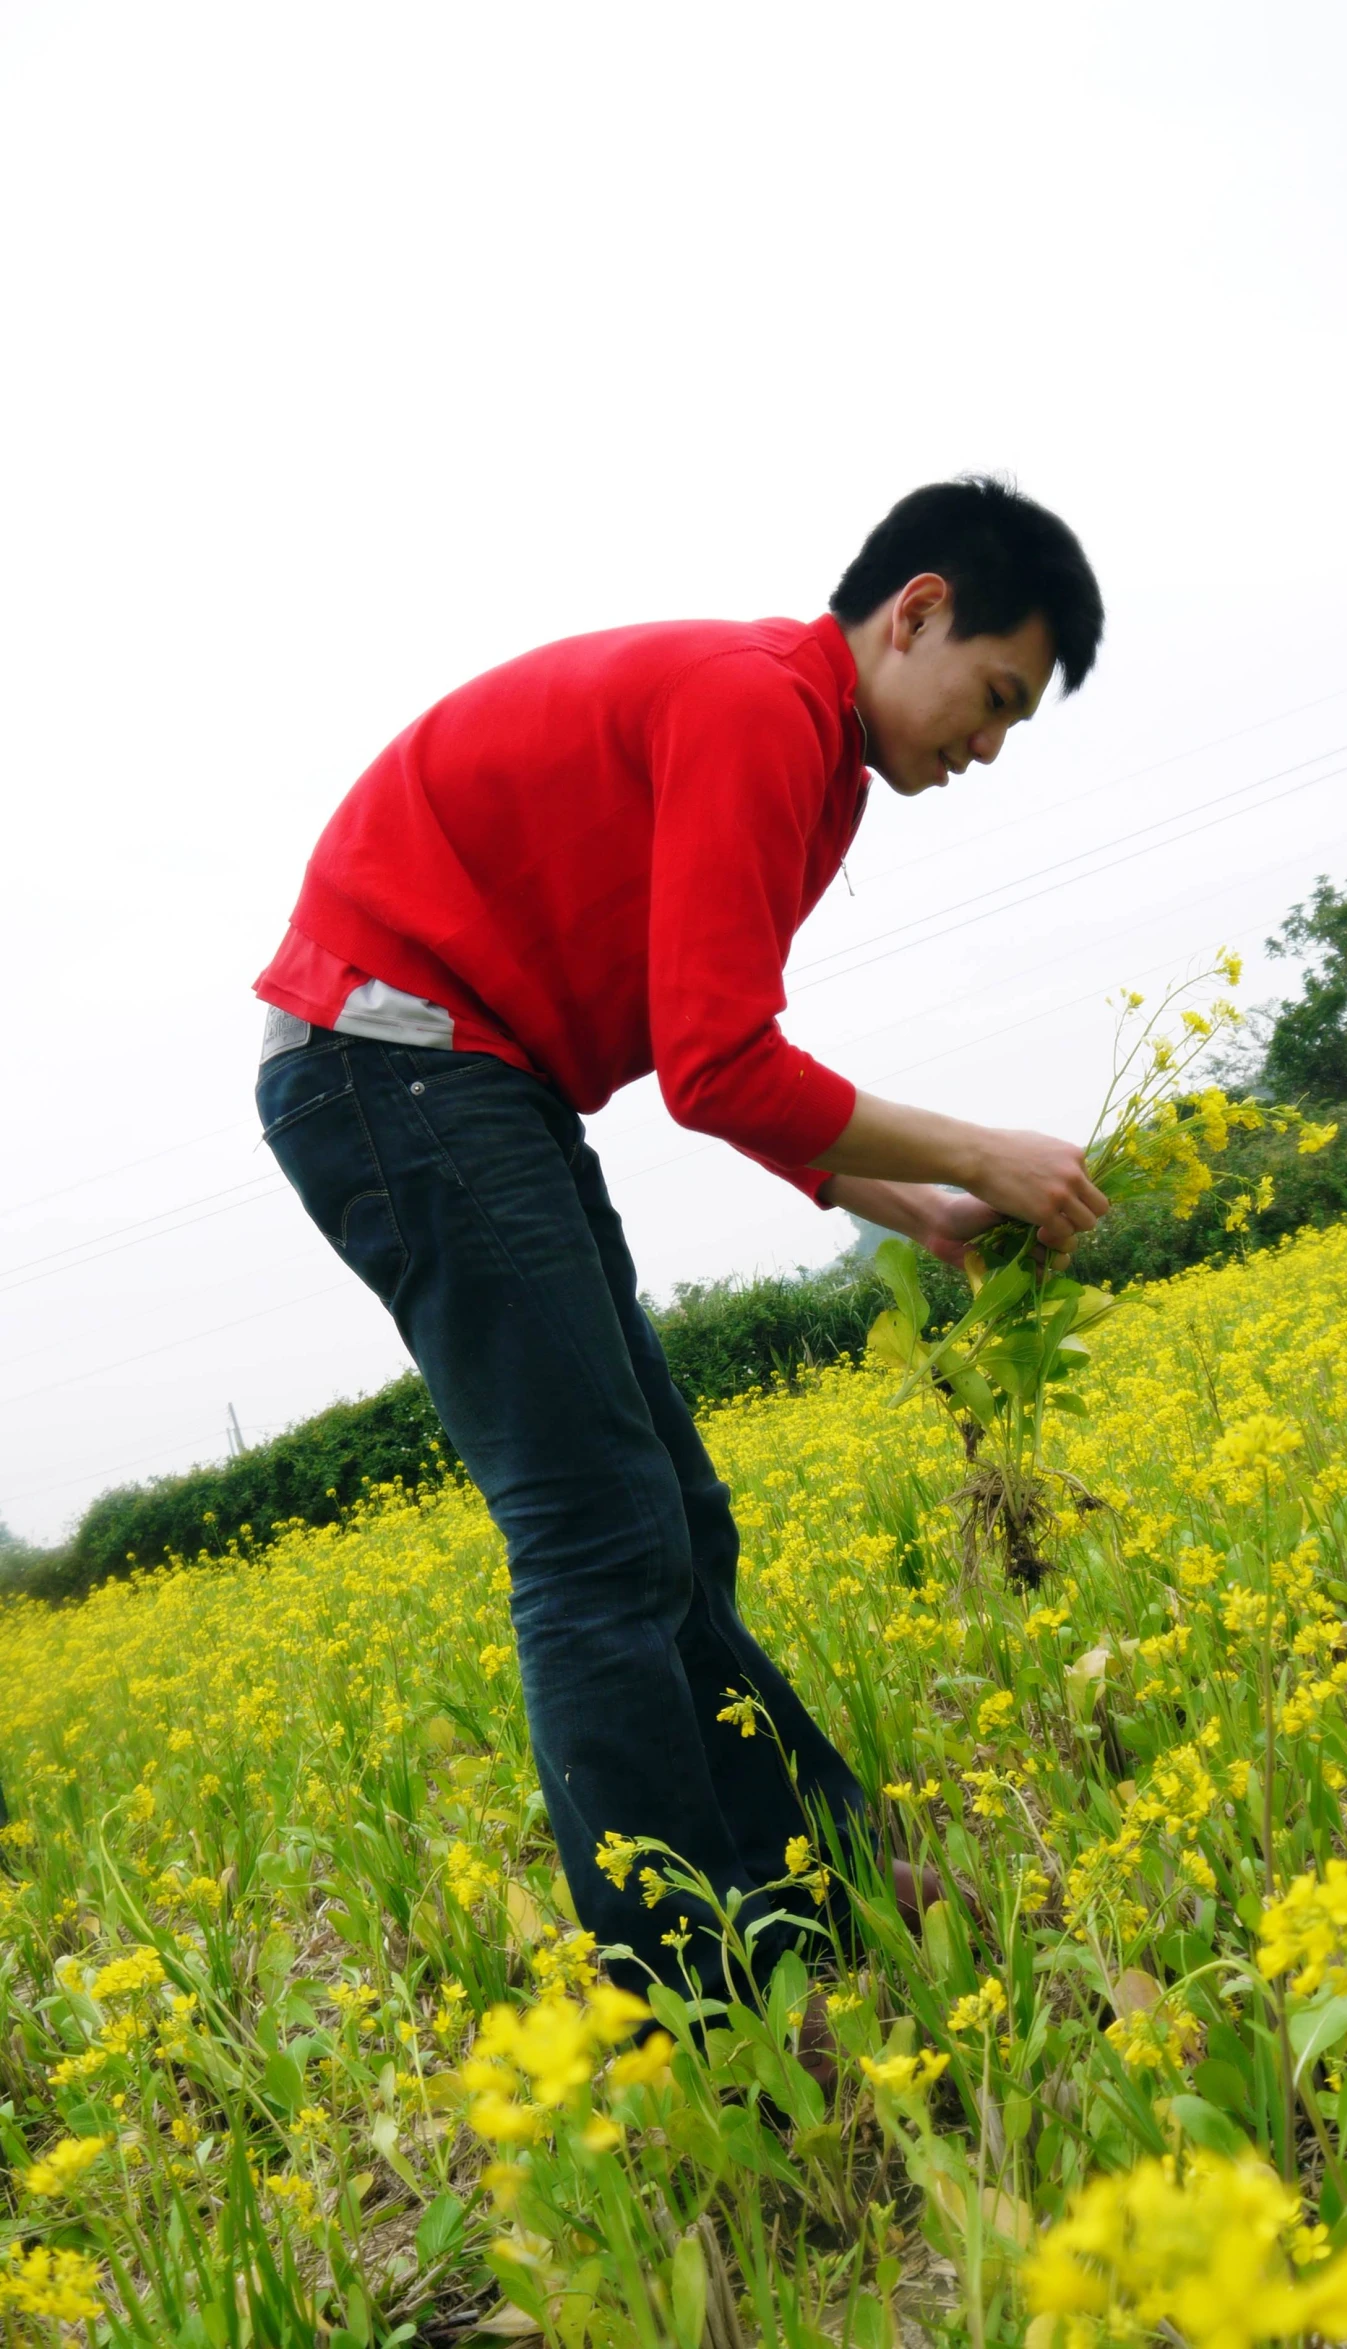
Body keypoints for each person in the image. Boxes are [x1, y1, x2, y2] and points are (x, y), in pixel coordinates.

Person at [253, 475, 1109, 2013]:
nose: (988, 747)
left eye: (1014, 725)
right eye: (994, 699)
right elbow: (717, 1061)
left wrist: (902, 1202)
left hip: (467, 1071)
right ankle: (695, 1997)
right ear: (914, 610)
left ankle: (815, 1879)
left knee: (671, 1515)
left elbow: (694, 1025)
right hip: (393, 1057)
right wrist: (979, 1148)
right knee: (594, 1534)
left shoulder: (812, 753)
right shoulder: (755, 708)